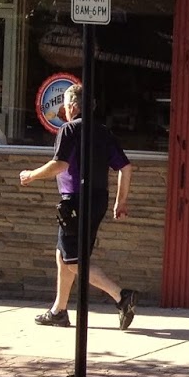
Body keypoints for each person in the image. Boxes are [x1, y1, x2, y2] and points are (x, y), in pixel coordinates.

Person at [18, 83, 138, 329]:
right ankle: (59, 311)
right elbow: (125, 168)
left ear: (73, 106)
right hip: (98, 199)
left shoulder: (70, 130)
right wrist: (120, 201)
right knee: (64, 254)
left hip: (75, 201)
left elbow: (59, 166)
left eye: (65, 104)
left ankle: (121, 296)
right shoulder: (103, 132)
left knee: (74, 259)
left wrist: (31, 175)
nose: (63, 109)